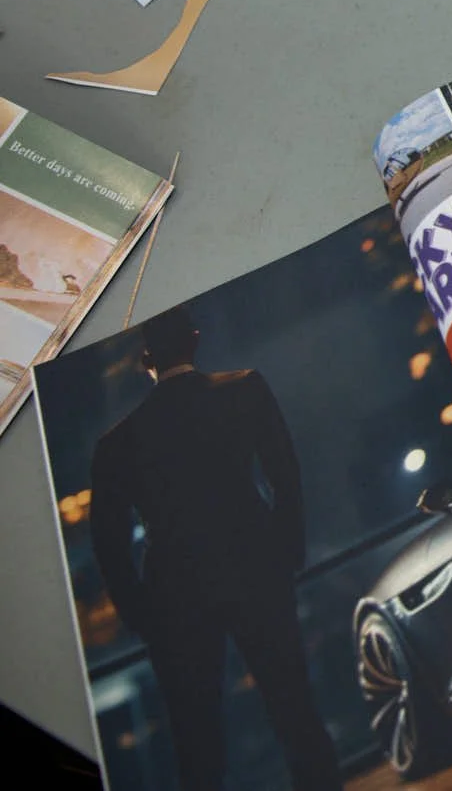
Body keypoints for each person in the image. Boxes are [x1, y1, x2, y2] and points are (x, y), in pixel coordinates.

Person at [88, 308, 342, 791]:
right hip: (255, 567)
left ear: (146, 359)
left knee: (197, 741)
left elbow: (109, 544)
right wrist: (287, 552)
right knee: (295, 711)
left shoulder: (117, 444)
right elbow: (285, 476)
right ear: (195, 340)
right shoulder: (244, 389)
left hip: (175, 593)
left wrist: (140, 614)